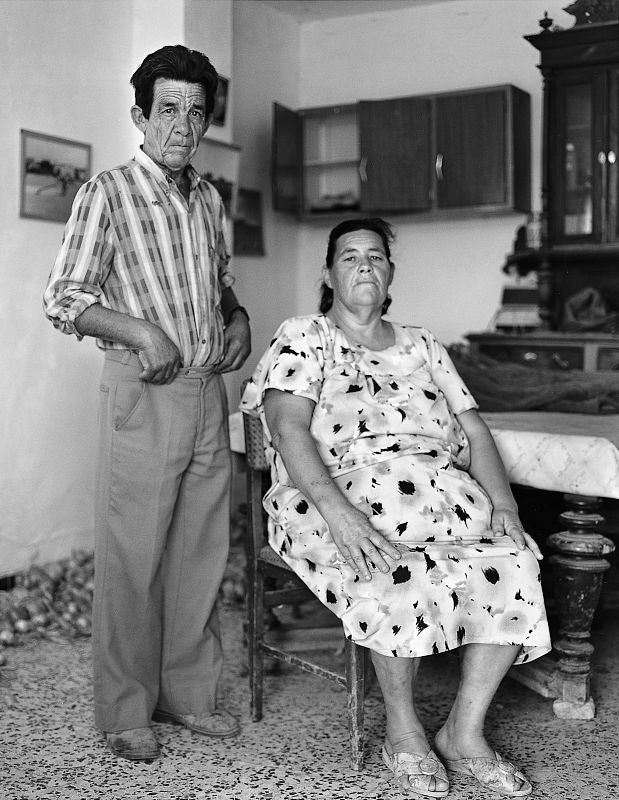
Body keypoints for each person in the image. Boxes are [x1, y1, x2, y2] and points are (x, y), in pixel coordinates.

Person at [240, 218, 550, 798]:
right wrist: (340, 514)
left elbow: (474, 433)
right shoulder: (305, 335)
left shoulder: (423, 343)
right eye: (350, 256)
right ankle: (403, 733)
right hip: (335, 494)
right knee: (394, 572)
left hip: (442, 493)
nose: (364, 265)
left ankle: (464, 733)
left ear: (389, 274)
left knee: (517, 561)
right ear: (328, 274)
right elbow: (287, 429)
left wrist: (505, 506)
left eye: (376, 256)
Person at [43, 44, 251, 762]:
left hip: (206, 390)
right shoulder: (106, 193)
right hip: (144, 390)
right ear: (139, 116)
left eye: (195, 112)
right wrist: (138, 330)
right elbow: (63, 298)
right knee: (133, 558)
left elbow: (218, 283)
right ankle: (125, 709)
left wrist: (237, 318)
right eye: (167, 110)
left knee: (200, 554)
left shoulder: (209, 198)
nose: (181, 125)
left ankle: (187, 695)